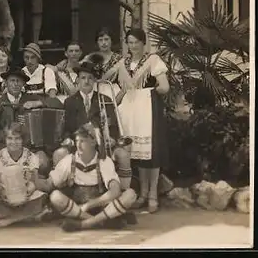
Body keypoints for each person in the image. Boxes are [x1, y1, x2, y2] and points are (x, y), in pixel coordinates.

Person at [52, 61, 137, 224]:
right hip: (80, 146)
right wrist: (68, 138)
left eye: (90, 78)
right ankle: (66, 199)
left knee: (123, 154)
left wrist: (111, 137)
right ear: (77, 81)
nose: (86, 81)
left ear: (95, 81)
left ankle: (122, 196)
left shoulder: (104, 100)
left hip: (102, 145)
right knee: (59, 154)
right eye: (83, 78)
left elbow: (113, 127)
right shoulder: (70, 102)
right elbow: (66, 129)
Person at [38, 123, 137, 232]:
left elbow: (115, 191)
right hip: (77, 210)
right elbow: (49, 184)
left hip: (101, 208)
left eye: (82, 141)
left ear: (93, 142)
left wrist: (89, 204)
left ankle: (84, 225)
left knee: (130, 194)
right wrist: (33, 181)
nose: (78, 145)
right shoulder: (69, 160)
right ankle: (99, 222)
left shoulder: (103, 161)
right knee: (55, 196)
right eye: (77, 141)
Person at [113, 28, 170, 214]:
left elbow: (164, 87)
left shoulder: (153, 60)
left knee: (151, 153)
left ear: (143, 42)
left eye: (136, 42)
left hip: (147, 107)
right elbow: (121, 88)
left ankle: (153, 194)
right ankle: (143, 194)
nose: (133, 46)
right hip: (130, 109)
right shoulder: (124, 62)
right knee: (137, 153)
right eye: (129, 42)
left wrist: (150, 93)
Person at [0, 67, 59, 175]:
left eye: (18, 81)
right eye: (12, 80)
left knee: (43, 162)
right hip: (5, 148)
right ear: (6, 83)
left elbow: (56, 103)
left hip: (30, 148)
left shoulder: (31, 98)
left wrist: (38, 103)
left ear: (23, 83)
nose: (15, 84)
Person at [0, 122, 50, 230]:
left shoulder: (31, 157)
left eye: (17, 138)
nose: (13, 142)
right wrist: (2, 197)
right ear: (5, 139)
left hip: (25, 197)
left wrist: (29, 191)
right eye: (10, 138)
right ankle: (26, 217)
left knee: (39, 201)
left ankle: (5, 222)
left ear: (23, 140)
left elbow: (33, 182)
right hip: (5, 198)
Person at [81, 27, 123, 97]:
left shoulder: (119, 59)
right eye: (100, 40)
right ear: (97, 42)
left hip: (113, 91)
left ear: (111, 40)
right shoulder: (90, 57)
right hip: (94, 90)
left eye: (106, 39)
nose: (104, 43)